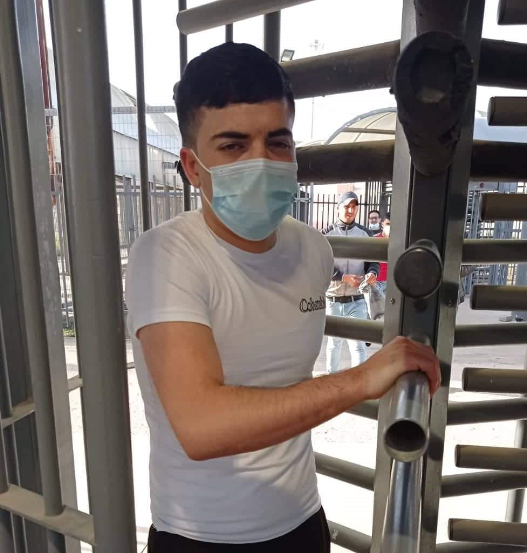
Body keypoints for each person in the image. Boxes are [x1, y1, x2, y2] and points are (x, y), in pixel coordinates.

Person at [125, 42, 440, 553]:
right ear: (192, 166)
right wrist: (360, 379)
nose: (261, 161)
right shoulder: (165, 255)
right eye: (232, 146)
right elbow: (201, 427)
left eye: (277, 141)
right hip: (200, 538)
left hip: (302, 523)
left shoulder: (312, 249)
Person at [322, 192, 380, 373]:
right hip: (333, 299)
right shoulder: (326, 234)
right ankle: (331, 380)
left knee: (358, 345)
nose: (350, 210)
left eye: (354, 207)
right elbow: (319, 264)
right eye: (346, 206)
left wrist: (372, 273)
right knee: (334, 344)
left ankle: (358, 383)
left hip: (358, 299)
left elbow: (374, 261)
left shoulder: (365, 233)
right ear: (337, 208)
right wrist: (342, 277)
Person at [376, 213, 391, 296]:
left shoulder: (402, 242)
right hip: (378, 282)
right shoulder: (374, 240)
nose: (390, 227)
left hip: (393, 282)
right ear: (382, 224)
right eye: (388, 224)